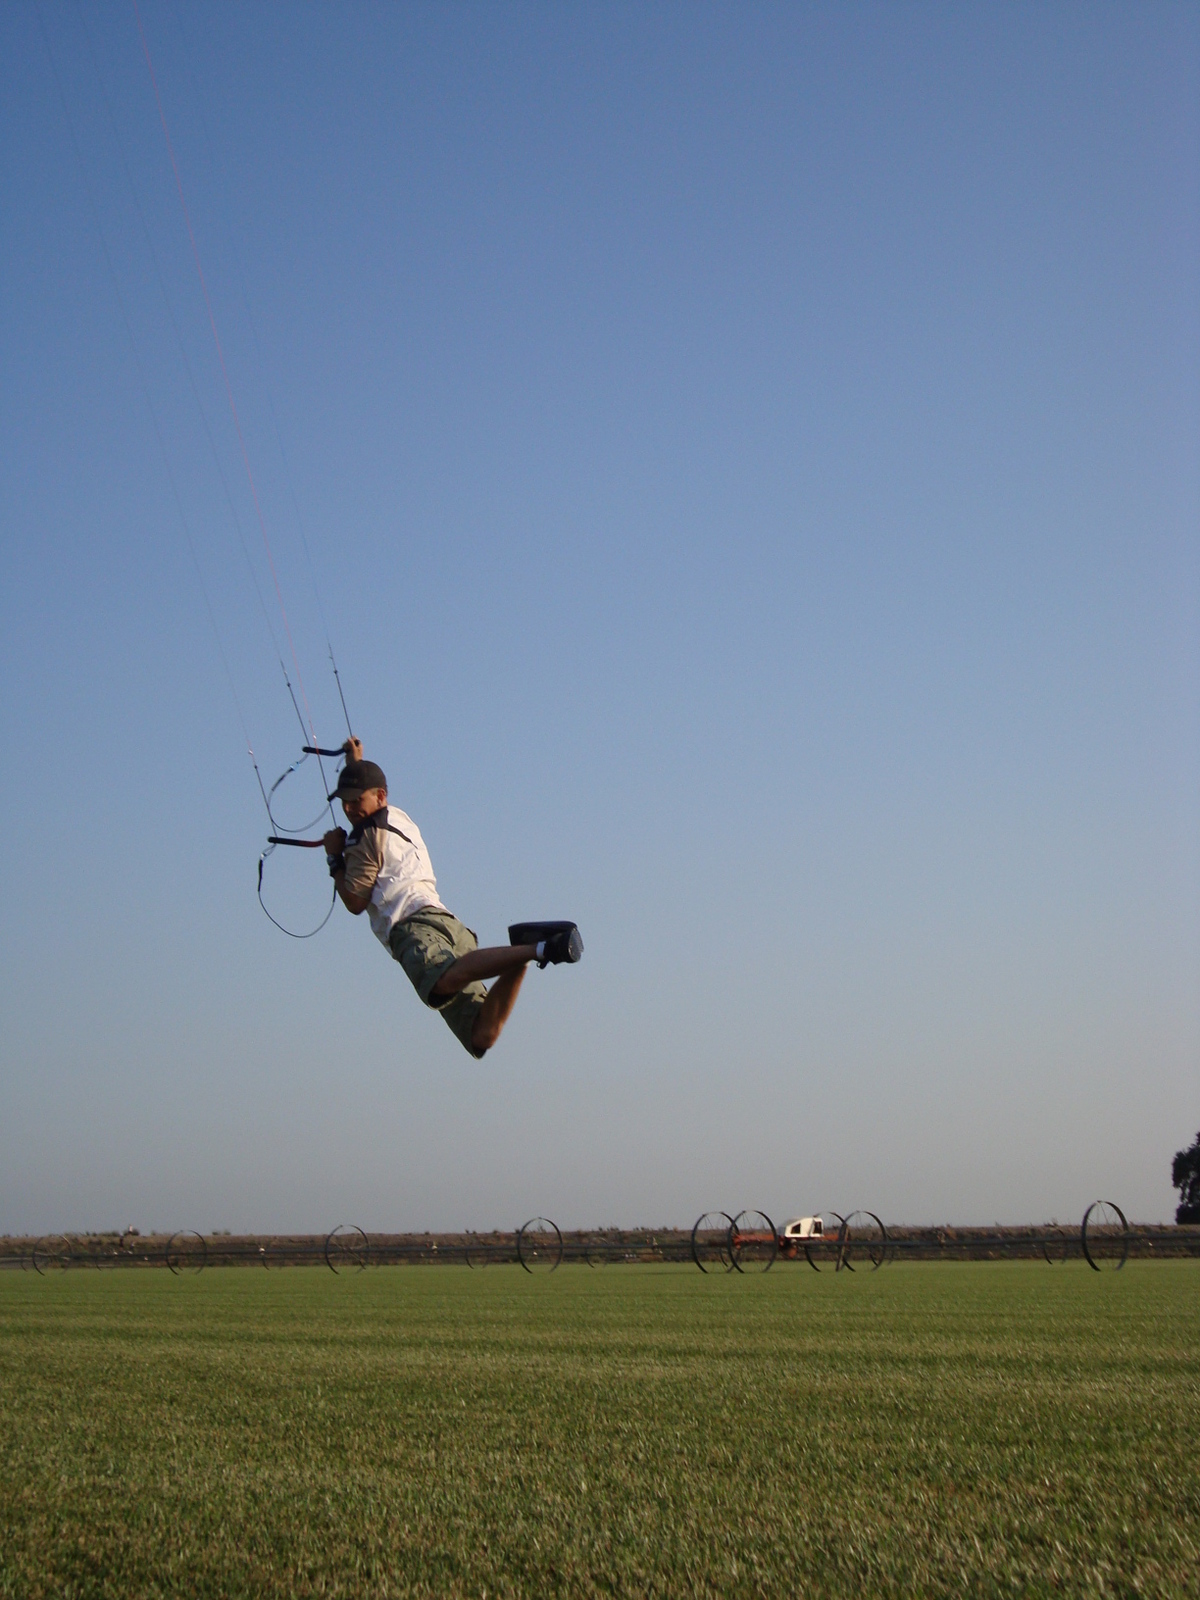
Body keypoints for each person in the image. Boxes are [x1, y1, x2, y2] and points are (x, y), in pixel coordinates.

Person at [321, 740, 582, 1057]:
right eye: (344, 802)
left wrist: (335, 860)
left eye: (354, 800)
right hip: (446, 920)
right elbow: (366, 786)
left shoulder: (362, 838)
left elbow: (355, 903)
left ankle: (538, 948)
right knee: (481, 1034)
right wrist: (355, 760)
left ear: (380, 796)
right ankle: (525, 950)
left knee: (442, 981)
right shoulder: (396, 815)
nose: (348, 808)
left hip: (410, 927)